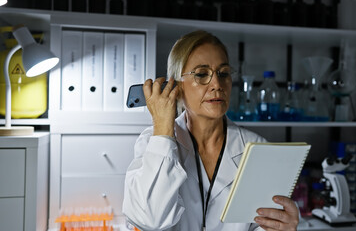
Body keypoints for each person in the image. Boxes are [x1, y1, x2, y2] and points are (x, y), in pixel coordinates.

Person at [122, 30, 299, 231]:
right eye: (202, 74)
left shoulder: (258, 149)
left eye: (223, 73)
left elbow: (263, 225)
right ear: (175, 86)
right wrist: (163, 127)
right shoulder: (152, 143)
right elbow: (149, 220)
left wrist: (282, 228)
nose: (217, 84)